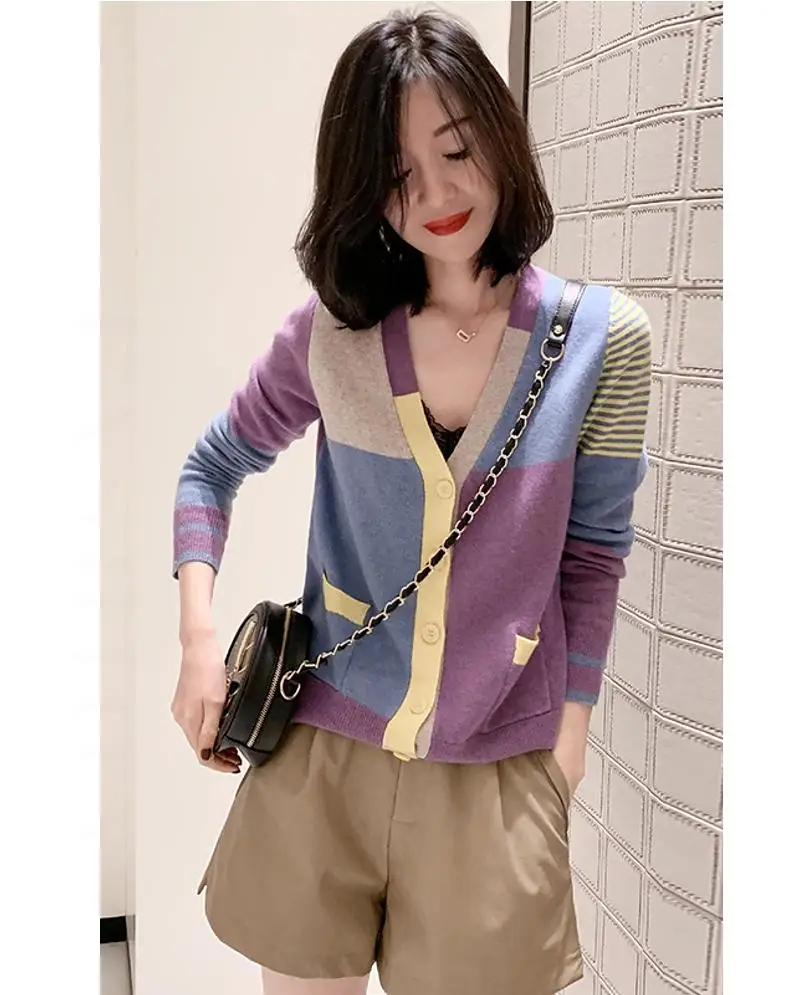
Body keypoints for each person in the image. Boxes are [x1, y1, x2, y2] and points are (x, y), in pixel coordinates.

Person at [170, 8, 651, 995]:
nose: (434, 193)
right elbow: (211, 466)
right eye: (396, 172)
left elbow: (593, 553)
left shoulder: (603, 340)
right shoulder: (333, 335)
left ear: (501, 141)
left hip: (497, 771)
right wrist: (196, 641)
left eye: (457, 149)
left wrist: (568, 740)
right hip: (320, 759)